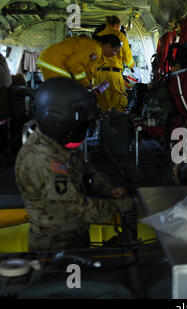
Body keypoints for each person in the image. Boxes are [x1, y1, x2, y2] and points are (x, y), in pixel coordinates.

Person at [15, 77, 134, 251]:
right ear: (58, 121)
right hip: (54, 248)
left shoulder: (57, 142)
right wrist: (124, 206)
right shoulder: (42, 159)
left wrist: (107, 188)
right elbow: (73, 207)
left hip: (76, 239)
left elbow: (83, 170)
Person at [36, 34, 122, 88]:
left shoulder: (94, 48)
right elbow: (74, 64)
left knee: (60, 93)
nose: (114, 54)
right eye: (115, 50)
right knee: (63, 95)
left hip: (49, 59)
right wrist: (84, 83)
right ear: (107, 45)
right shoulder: (96, 48)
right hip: (54, 61)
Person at [93, 16, 135, 112]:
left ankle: (102, 125)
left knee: (101, 103)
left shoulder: (98, 35)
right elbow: (127, 56)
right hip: (113, 76)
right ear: (117, 25)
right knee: (118, 104)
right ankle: (116, 125)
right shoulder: (120, 36)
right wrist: (132, 66)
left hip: (98, 75)